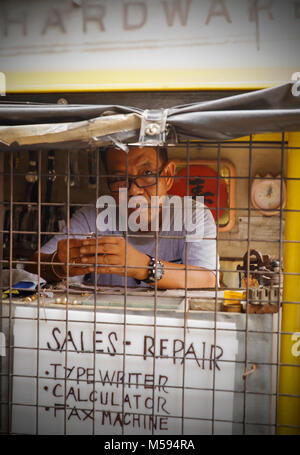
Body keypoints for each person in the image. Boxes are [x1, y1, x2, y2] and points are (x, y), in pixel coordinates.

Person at [26, 145, 217, 289]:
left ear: (167, 175)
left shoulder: (194, 215)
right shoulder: (94, 216)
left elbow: (208, 279)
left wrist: (143, 266)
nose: (133, 189)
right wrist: (59, 267)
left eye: (147, 173)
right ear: (108, 181)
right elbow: (32, 266)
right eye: (119, 179)